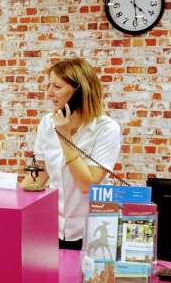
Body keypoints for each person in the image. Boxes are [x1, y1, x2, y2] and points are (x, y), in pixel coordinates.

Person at [28, 58, 122, 249]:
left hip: (90, 231)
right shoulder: (47, 123)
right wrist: (8, 202)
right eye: (49, 85)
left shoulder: (106, 129)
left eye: (57, 86)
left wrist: (64, 136)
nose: (49, 93)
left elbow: (87, 184)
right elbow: (41, 173)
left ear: (79, 92)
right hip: (53, 227)